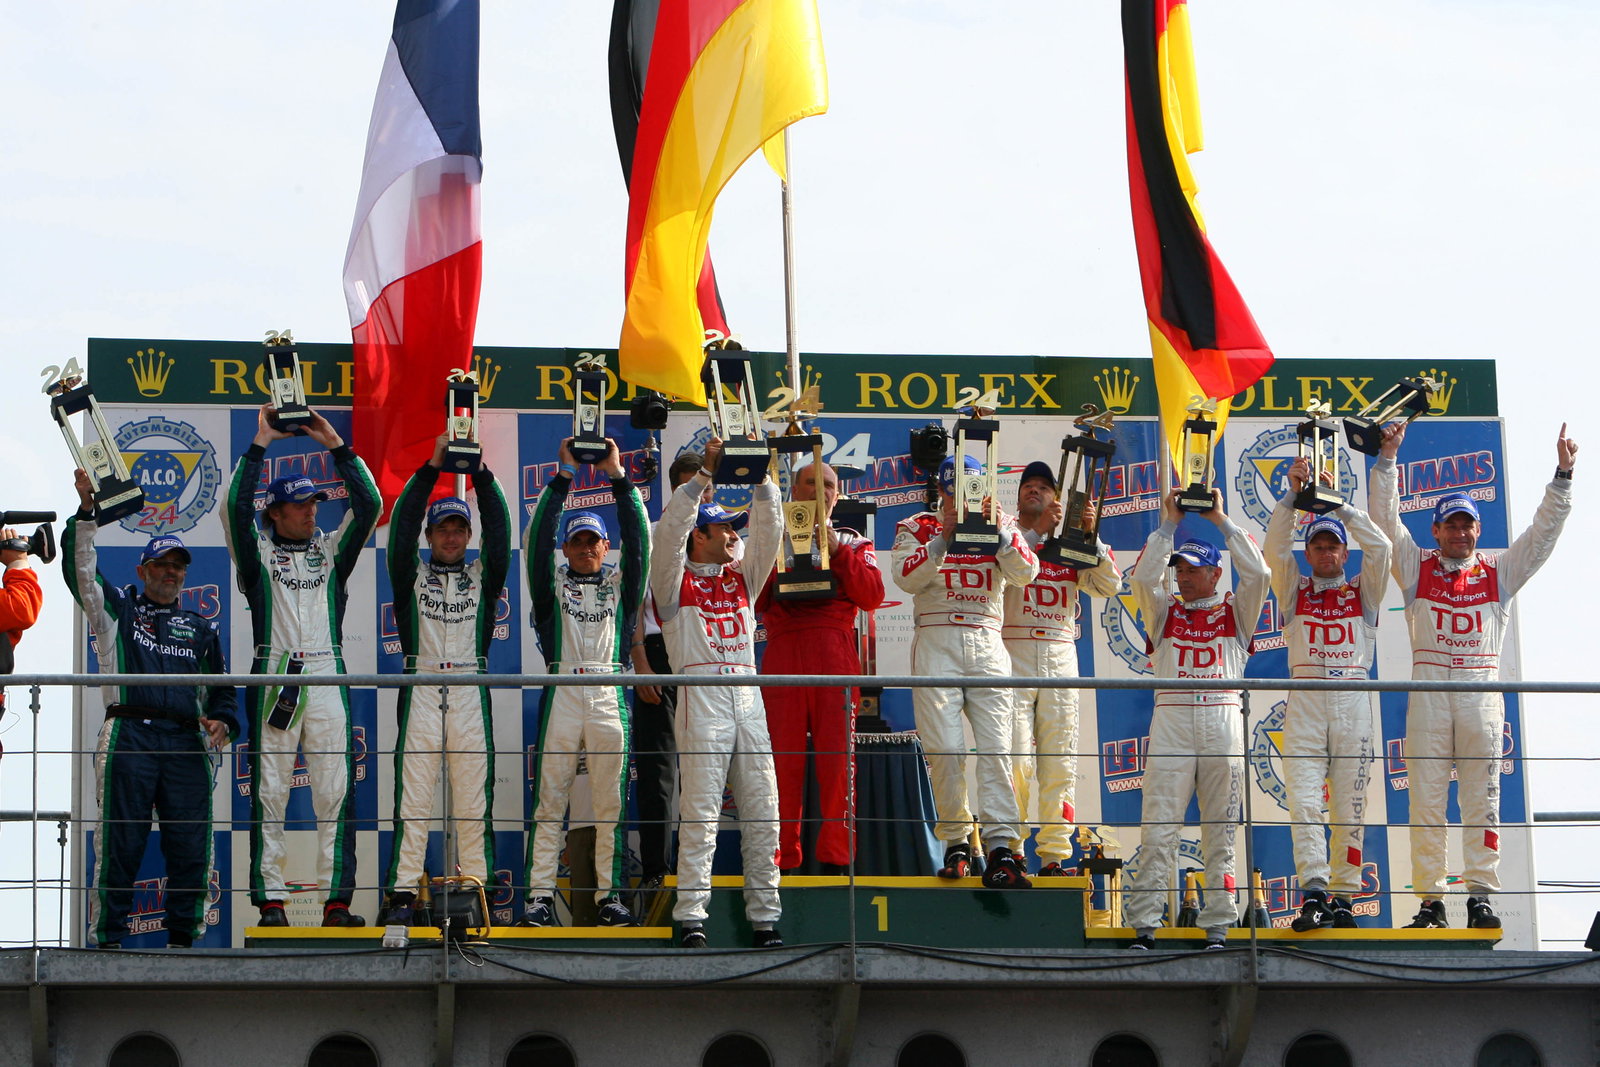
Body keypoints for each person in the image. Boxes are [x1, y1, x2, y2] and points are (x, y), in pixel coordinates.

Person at [1370, 422, 1575, 930]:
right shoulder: (1414, 567)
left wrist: (1562, 478)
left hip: (1481, 696)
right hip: (1429, 696)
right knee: (1426, 802)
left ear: (1478, 530)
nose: (1460, 533)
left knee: (1483, 799)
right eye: (1451, 525)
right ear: (1436, 531)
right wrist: (1387, 460)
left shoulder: (1499, 572)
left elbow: (1541, 537)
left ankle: (1480, 897)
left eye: (1467, 525)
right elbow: (1385, 521)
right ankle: (1431, 902)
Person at [222, 403, 380, 927]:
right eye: (298, 505)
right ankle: (271, 903)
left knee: (335, 790)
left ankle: (336, 904)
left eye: (313, 502)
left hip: (328, 673)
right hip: (275, 675)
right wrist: (260, 443)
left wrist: (336, 444)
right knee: (270, 791)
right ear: (273, 513)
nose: (311, 511)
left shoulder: (332, 552)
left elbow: (371, 504)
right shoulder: (256, 555)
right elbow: (233, 509)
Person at [65, 471, 238, 948]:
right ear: (142, 571)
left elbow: (222, 691)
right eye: (161, 564)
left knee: (191, 845)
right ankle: (108, 941)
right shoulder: (118, 611)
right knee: (120, 842)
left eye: (178, 566)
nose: (171, 572)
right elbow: (81, 574)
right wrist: (86, 515)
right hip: (129, 735)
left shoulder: (200, 628)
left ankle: (183, 943)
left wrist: (224, 721)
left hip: (185, 741)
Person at [651, 437, 784, 948]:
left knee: (763, 810)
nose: (733, 534)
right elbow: (669, 535)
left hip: (749, 697)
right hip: (701, 697)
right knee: (701, 813)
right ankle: (691, 917)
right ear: (699, 536)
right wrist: (703, 477)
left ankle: (765, 918)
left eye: (733, 527)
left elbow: (770, 532)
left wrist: (762, 477)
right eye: (724, 527)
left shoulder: (744, 577)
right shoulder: (672, 583)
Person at [1124, 487, 1269, 949]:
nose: (1183, 577)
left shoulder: (1237, 612)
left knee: (1221, 832)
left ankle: (1218, 927)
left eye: (1193, 569)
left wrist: (1222, 521)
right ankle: (1145, 925)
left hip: (1223, 722)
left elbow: (1260, 573)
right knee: (1158, 828)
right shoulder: (1163, 611)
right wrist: (1169, 524)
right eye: (1180, 570)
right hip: (1172, 722)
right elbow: (1143, 579)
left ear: (1215, 573)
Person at [891, 454, 1039, 888]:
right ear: (942, 491)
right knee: (945, 750)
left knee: (998, 749)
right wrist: (945, 537)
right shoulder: (917, 525)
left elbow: (1027, 572)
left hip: (987, 639)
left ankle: (1001, 847)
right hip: (936, 638)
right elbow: (904, 578)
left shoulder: (1002, 522)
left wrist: (999, 534)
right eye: (956, 490)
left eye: (973, 488)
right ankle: (957, 841)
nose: (966, 498)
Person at [382, 436, 511, 925]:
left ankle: (477, 895)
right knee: (413, 799)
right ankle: (401, 896)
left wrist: (480, 472)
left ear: (468, 535)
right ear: (430, 535)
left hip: (469, 689)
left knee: (474, 801)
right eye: (442, 530)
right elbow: (400, 527)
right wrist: (432, 467)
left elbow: (500, 529)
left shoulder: (484, 576)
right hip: (420, 684)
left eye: (459, 529)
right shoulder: (409, 574)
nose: (452, 538)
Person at [523, 438, 648, 927]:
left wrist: (618, 477)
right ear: (566, 548)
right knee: (549, 799)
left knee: (609, 802)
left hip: (609, 692)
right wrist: (564, 476)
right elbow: (536, 541)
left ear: (604, 546)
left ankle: (608, 896)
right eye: (576, 541)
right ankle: (537, 898)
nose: (586, 548)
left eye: (593, 541)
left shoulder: (622, 585)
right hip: (562, 690)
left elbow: (640, 540)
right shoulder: (550, 584)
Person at [1265, 458, 1391, 931]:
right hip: (1305, 703)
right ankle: (1314, 892)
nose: (1324, 552)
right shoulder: (1293, 589)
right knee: (1303, 802)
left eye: (1332, 545)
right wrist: (1290, 498)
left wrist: (1341, 507)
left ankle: (1344, 897)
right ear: (1308, 552)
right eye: (1317, 545)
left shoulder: (1364, 591)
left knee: (1350, 806)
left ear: (1344, 552)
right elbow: (1273, 550)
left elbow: (1381, 548)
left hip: (1353, 700)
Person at [756, 460, 884, 873]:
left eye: (828, 485)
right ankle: (781, 860)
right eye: (810, 482)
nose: (820, 490)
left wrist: (837, 551)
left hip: (834, 653)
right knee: (782, 763)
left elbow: (872, 596)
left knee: (838, 763)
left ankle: (837, 861)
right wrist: (779, 549)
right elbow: (754, 601)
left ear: (837, 495)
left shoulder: (853, 541)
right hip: (783, 653)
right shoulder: (769, 537)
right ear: (794, 490)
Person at [1002, 461, 1120, 875]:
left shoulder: (1071, 543)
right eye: (1027, 485)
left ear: (1057, 499)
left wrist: (1091, 535)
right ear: (1018, 496)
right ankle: (1011, 850)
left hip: (1059, 655)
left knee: (1060, 762)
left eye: (1043, 486)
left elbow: (1109, 585)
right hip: (1012, 653)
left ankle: (1054, 856)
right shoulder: (1005, 534)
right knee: (1014, 759)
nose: (1034, 490)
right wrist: (1036, 534)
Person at [627, 449, 705, 908]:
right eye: (690, 486)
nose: (699, 493)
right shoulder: (654, 533)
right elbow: (635, 601)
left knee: (706, 771)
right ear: (675, 489)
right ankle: (657, 871)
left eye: (705, 486)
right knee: (658, 771)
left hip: (706, 658)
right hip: (658, 655)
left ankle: (697, 873)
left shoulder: (724, 536)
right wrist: (641, 661)